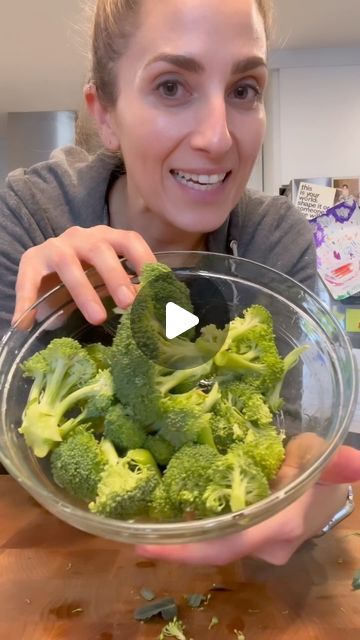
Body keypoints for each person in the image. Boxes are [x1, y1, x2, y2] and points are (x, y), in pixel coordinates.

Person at [0, 0, 359, 565]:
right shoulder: (31, 212)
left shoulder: (271, 235)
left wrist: (319, 495)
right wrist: (38, 321)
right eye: (171, 86)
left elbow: (299, 441)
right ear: (106, 115)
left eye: (244, 89)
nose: (218, 138)